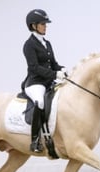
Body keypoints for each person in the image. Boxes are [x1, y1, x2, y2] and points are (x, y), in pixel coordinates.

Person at [23, 9, 67, 153]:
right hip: (35, 83)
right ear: (33, 25)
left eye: (45, 24)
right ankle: (35, 140)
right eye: (42, 24)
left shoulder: (47, 44)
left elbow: (53, 63)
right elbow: (34, 67)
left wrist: (63, 69)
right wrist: (55, 74)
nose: (45, 26)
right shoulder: (29, 45)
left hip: (49, 81)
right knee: (40, 102)